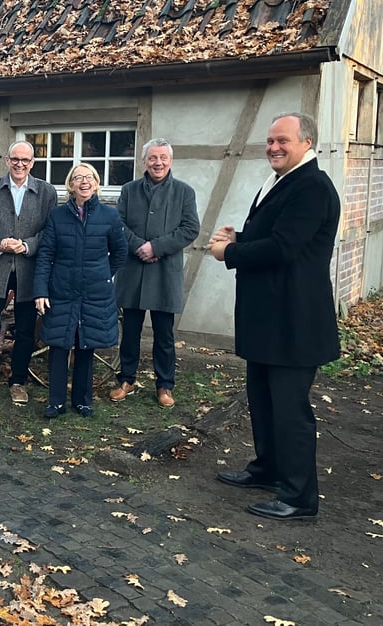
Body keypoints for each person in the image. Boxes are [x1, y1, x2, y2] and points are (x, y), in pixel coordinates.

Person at [209, 112, 340, 521]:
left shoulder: (313, 187)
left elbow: (284, 248)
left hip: (294, 323)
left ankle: (300, 498)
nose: (273, 147)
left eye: (282, 140)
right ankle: (268, 468)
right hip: (269, 321)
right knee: (262, 402)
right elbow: (276, 236)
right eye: (269, 141)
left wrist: (228, 253)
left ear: (306, 142)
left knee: (290, 411)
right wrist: (241, 239)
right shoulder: (286, 182)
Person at [0, 140, 58, 408]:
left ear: (33, 163)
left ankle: (18, 382)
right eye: (15, 159)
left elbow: (49, 233)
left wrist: (28, 245)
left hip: (29, 270)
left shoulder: (46, 192)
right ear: (7, 160)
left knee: (26, 332)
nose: (19, 164)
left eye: (25, 161)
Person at [34, 164, 128, 418]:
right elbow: (45, 255)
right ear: (71, 185)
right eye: (78, 178)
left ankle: (83, 400)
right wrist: (41, 290)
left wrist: (102, 273)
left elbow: (120, 251)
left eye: (89, 177)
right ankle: (55, 402)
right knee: (58, 345)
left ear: (96, 183)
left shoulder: (109, 216)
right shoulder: (57, 216)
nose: (84, 182)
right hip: (61, 290)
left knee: (87, 345)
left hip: (95, 292)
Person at [111, 138, 199, 408]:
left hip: (164, 271)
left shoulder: (184, 192)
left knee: (164, 334)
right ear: (144, 161)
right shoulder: (129, 190)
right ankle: (126, 378)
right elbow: (119, 223)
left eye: (163, 158)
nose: (158, 163)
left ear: (170, 161)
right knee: (131, 331)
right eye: (152, 158)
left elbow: (190, 228)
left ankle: (165, 385)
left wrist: (157, 247)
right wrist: (139, 246)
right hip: (133, 270)